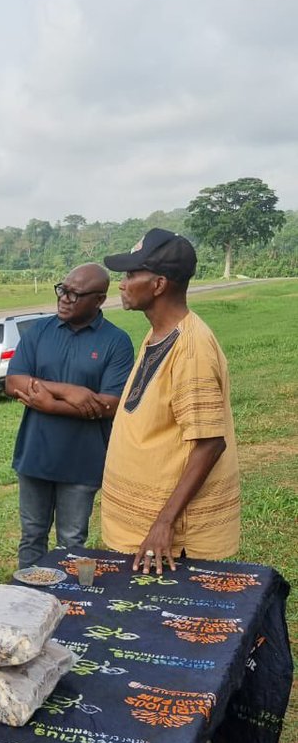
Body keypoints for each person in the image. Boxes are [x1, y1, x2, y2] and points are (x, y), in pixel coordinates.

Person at [101, 228, 240, 573]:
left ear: (159, 284)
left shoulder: (191, 348)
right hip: (141, 532)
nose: (122, 283)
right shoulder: (157, 334)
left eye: (132, 274)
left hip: (170, 543)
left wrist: (164, 524)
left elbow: (209, 443)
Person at [5, 263, 135, 567]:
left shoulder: (116, 342)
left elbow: (110, 404)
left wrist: (49, 404)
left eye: (75, 294)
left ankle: (69, 608)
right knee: (32, 536)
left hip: (82, 460)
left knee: (72, 541)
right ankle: (30, 605)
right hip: (35, 456)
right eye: (62, 289)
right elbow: (13, 383)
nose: (64, 298)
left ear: (99, 299)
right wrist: (71, 391)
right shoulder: (40, 331)